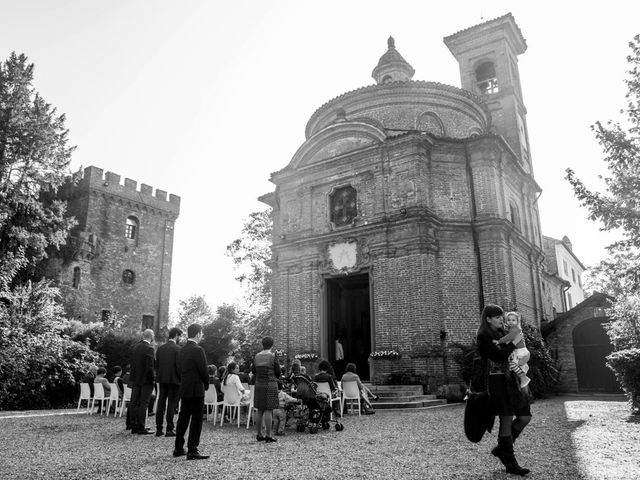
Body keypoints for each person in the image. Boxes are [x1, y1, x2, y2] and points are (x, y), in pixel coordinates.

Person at [476, 304, 531, 476]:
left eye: (502, 316)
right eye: (498, 317)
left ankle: (501, 448)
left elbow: (514, 353)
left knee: (525, 417)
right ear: (488, 319)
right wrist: (514, 342)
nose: (502, 319)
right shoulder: (483, 336)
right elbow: (499, 356)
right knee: (506, 419)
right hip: (497, 382)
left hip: (512, 379)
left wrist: (517, 343)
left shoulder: (502, 333)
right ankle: (510, 462)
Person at [173, 323, 209, 460]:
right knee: (196, 419)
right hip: (196, 388)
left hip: (185, 386)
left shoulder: (181, 350)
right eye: (202, 334)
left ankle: (178, 447)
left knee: (183, 417)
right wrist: (206, 384)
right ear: (198, 333)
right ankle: (192, 449)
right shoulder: (198, 350)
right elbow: (204, 370)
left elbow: (178, 369)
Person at [252, 336, 281, 443]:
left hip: (259, 384)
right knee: (269, 409)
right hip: (270, 384)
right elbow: (278, 372)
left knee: (260, 409)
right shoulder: (273, 356)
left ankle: (259, 434)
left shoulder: (256, 356)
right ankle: (268, 435)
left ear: (262, 344)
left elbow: (254, 371)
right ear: (272, 345)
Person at [155, 327, 183, 437]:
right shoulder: (178, 349)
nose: (180, 338)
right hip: (174, 380)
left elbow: (157, 365)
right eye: (179, 336)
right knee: (171, 404)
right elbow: (179, 367)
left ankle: (159, 429)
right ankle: (169, 428)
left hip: (162, 379)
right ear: (176, 335)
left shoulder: (160, 348)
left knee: (161, 403)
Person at [129, 329, 156, 435]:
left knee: (134, 402)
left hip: (136, 379)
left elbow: (133, 364)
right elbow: (150, 366)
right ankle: (141, 427)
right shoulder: (149, 348)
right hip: (146, 380)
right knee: (144, 403)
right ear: (151, 336)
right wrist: (152, 379)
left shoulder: (136, 347)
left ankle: (133, 426)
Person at [496, 312, 531, 389]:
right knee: (514, 365)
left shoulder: (515, 329)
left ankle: (523, 377)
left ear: (517, 322)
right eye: (508, 320)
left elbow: (509, 336)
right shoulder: (512, 328)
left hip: (520, 351)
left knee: (512, 364)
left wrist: (499, 341)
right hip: (519, 351)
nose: (510, 321)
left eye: (513, 320)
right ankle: (523, 373)